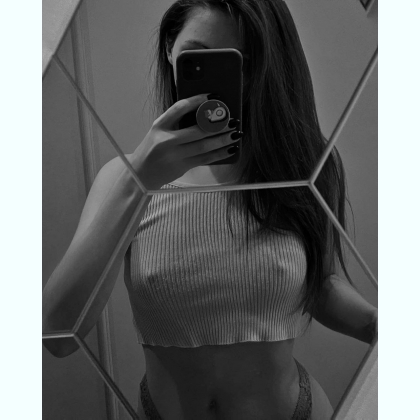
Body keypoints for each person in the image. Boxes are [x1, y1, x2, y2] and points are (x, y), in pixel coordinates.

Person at [42, 1, 378, 419]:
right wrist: (138, 180)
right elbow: (58, 335)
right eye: (198, 57)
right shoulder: (122, 179)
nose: (222, 81)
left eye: (242, 63)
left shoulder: (302, 169)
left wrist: (376, 324)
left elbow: (320, 284)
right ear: (170, 49)